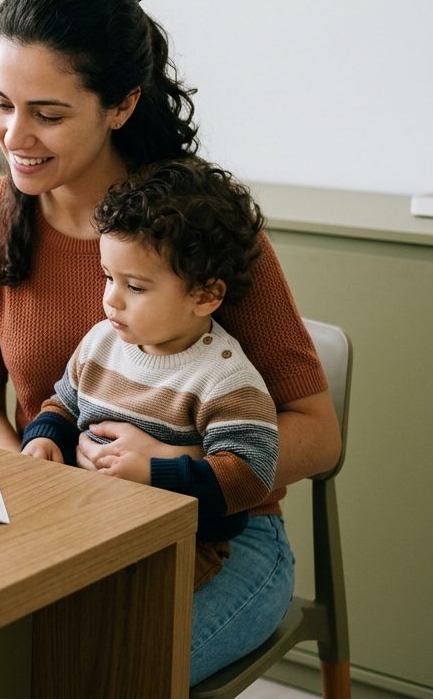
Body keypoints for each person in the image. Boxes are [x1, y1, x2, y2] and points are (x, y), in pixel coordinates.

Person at [0, 0, 340, 684]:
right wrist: (33, 478)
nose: (14, 135)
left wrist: (168, 472)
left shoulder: (196, 226)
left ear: (121, 104)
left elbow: (316, 427)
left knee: (94, 672)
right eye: (0, 103)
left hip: (222, 536)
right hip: (64, 519)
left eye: (48, 113)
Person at [21, 157, 278, 590]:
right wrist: (45, 437)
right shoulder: (101, 342)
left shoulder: (225, 380)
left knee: (110, 628)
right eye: (108, 278)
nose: (112, 301)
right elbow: (63, 405)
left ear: (206, 295)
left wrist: (154, 472)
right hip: (90, 519)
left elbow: (251, 476)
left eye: (135, 287)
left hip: (180, 544)